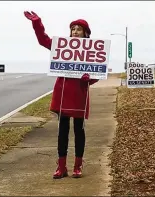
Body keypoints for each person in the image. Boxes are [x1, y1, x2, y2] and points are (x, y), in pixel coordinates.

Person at [24, 11, 99, 179]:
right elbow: (44, 40)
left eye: (79, 29)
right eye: (73, 29)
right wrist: (37, 23)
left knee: (79, 129)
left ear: (85, 33)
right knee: (62, 130)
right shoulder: (62, 46)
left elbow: (98, 71)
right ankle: (61, 166)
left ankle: (78, 165)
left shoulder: (91, 50)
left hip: (79, 93)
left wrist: (90, 78)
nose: (75, 32)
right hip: (63, 92)